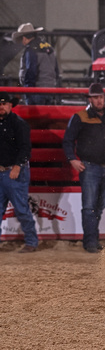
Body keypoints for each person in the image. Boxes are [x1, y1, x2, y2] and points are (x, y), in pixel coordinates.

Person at [62, 83, 105, 253]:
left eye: (100, 97)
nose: (99, 100)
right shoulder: (80, 117)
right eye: (95, 97)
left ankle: (92, 238)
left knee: (99, 204)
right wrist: (72, 159)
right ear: (90, 99)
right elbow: (68, 140)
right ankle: (91, 241)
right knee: (90, 205)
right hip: (90, 166)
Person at [0, 92, 39, 253]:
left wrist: (17, 166)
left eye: (4, 104)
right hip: (6, 171)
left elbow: (25, 148)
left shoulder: (19, 124)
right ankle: (31, 241)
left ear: (10, 105)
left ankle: (31, 242)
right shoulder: (16, 123)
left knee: (21, 208)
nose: (1, 107)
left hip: (14, 171)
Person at [11, 23, 59, 105]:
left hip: (36, 91)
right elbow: (56, 70)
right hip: (50, 90)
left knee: (34, 116)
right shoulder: (49, 47)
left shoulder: (31, 49)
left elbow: (31, 71)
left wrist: (28, 90)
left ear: (24, 38)